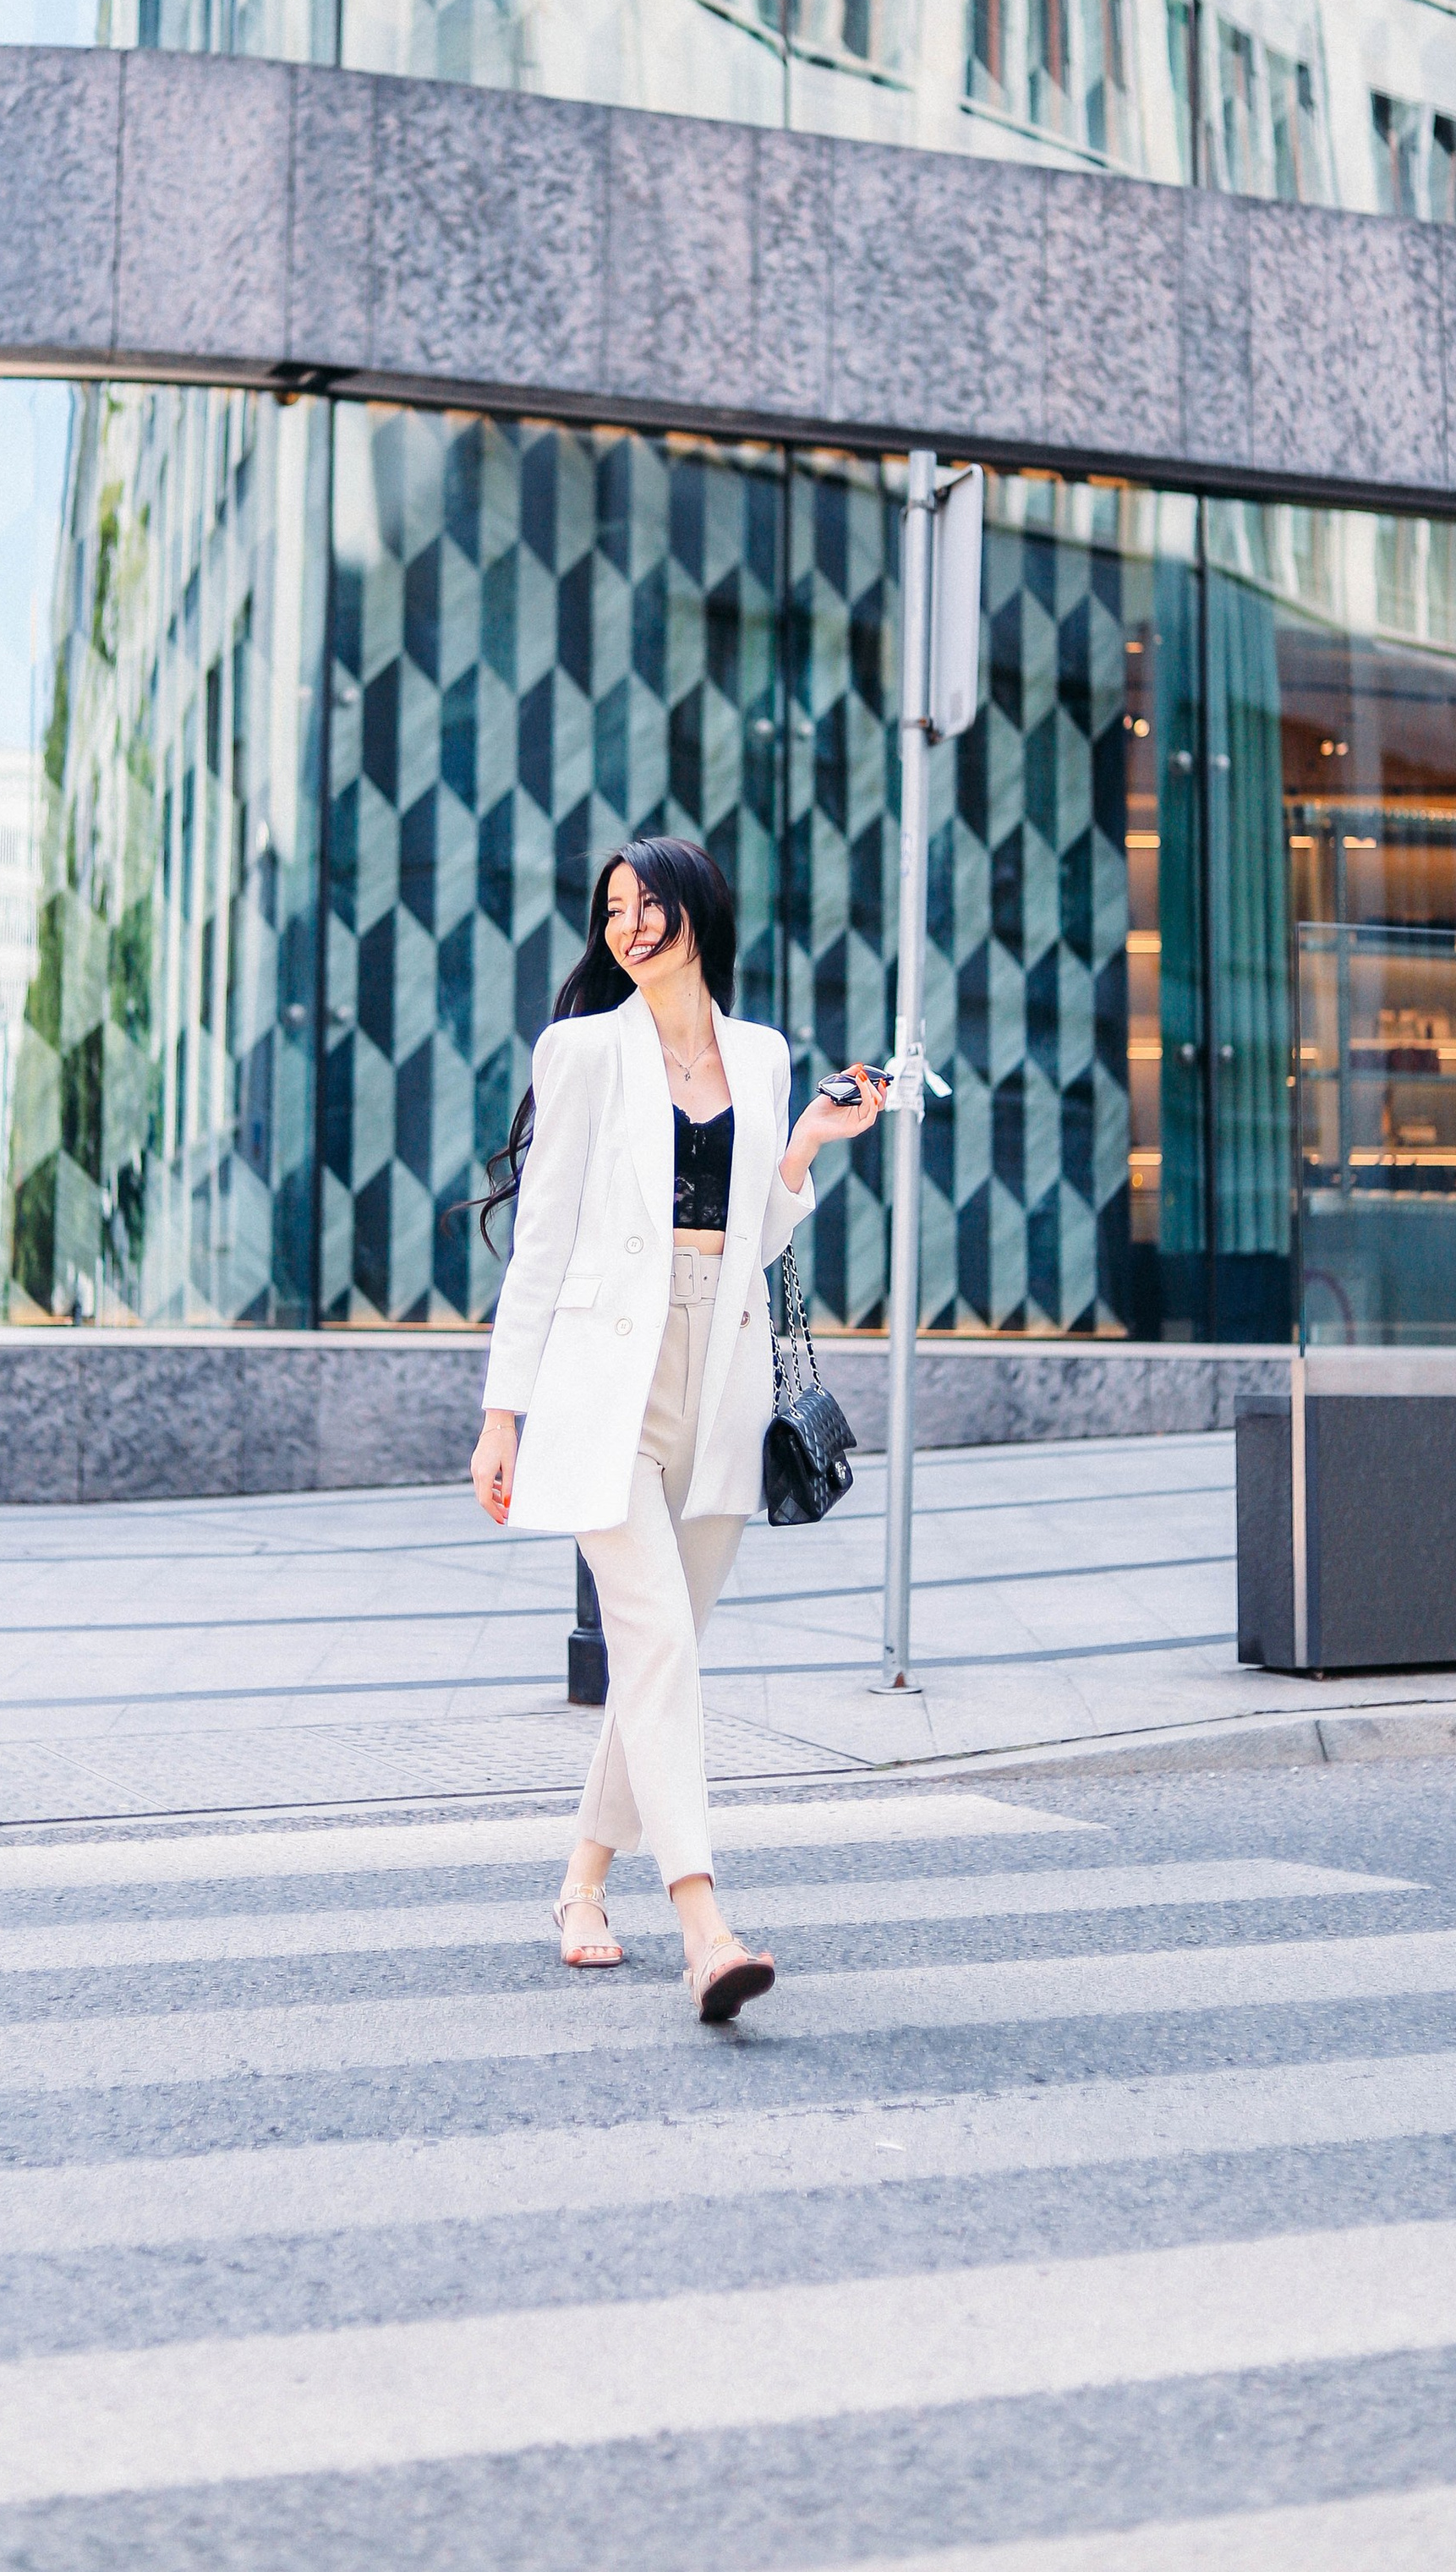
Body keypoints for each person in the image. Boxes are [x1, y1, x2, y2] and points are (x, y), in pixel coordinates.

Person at [470, 838, 885, 2023]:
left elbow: (756, 1231)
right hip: (610, 1377)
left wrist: (806, 1143)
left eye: (648, 903)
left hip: (723, 1372)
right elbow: (541, 1244)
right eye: (613, 909)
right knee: (653, 1640)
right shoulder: (584, 1051)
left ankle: (580, 1886)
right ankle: (706, 1925)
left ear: (699, 910)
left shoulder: (758, 1056)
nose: (629, 924)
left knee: (664, 1655)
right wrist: (505, 1415)